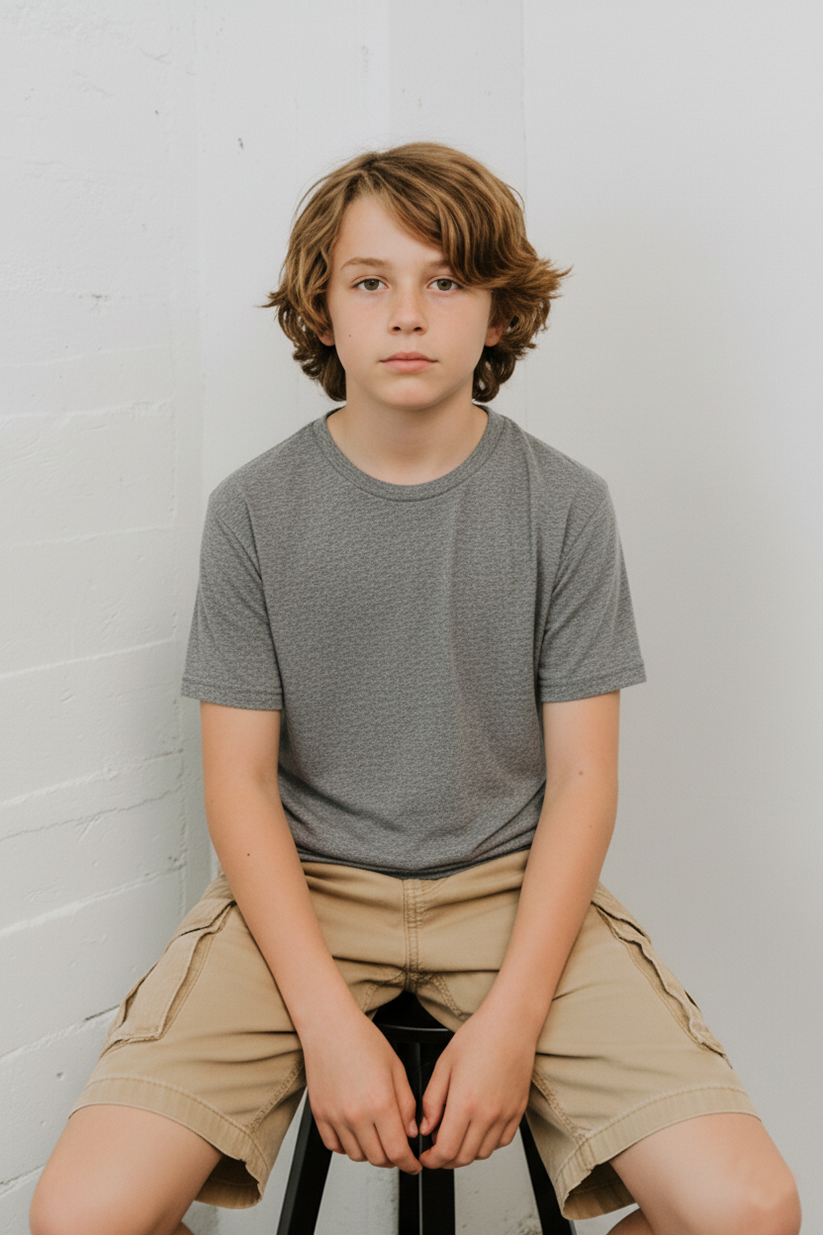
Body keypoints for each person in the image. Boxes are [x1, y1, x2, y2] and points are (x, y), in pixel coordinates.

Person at [30, 143, 800, 1235]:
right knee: (82, 1213)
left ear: (497, 313)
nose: (406, 313)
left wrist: (513, 1022)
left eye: (444, 281)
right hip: (302, 889)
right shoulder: (253, 508)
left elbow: (584, 779)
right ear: (321, 308)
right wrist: (329, 1028)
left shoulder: (563, 504)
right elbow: (238, 784)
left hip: (510, 886)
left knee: (748, 1207)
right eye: (369, 281)